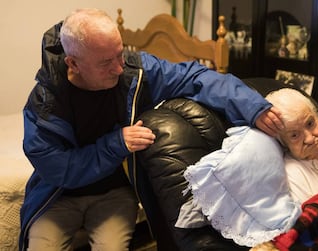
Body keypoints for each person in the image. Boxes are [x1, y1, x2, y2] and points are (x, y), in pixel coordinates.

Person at [20, 8, 283, 251]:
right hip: (55, 196)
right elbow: (58, 169)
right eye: (105, 63)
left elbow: (195, 76)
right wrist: (116, 144)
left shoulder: (134, 73)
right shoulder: (44, 102)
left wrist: (253, 107)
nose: (119, 68)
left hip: (114, 194)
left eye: (120, 54)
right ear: (73, 64)